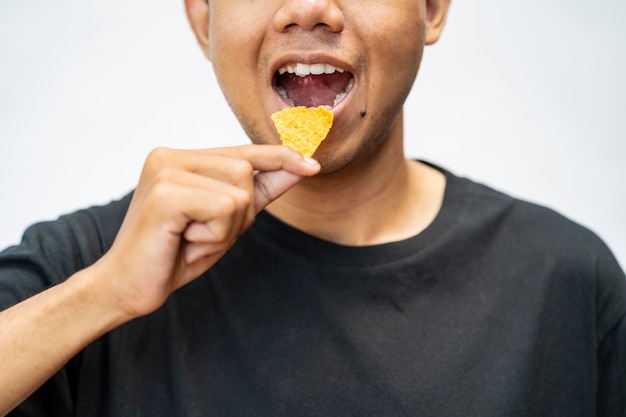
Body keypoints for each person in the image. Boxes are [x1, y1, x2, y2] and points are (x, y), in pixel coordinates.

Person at [1, 0, 624, 415]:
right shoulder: (81, 270)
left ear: (431, 9)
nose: (308, 7)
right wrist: (103, 294)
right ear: (203, 19)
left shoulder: (566, 278)